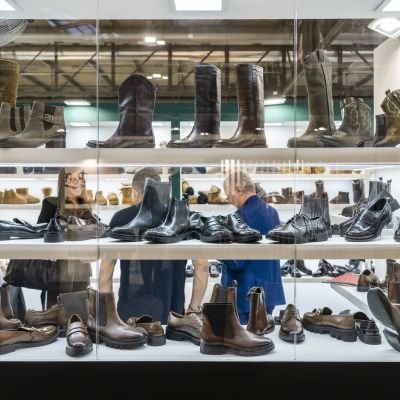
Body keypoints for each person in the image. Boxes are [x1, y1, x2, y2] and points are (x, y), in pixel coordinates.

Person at [98, 167, 209, 323]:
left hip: (129, 313)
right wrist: (193, 309)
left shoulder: (120, 219)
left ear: (134, 192)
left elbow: (105, 268)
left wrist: (107, 315)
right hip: (171, 312)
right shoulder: (182, 218)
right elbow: (202, 265)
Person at [221, 170, 285, 323]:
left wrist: (218, 250)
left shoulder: (240, 217)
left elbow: (237, 262)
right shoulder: (272, 211)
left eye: (228, 194)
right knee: (264, 335)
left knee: (245, 339)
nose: (228, 199)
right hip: (270, 289)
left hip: (246, 292)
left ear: (238, 190)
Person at [37, 167, 93, 308]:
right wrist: (52, 252)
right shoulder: (51, 204)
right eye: (71, 179)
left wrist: (92, 254)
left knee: (78, 320)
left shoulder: (85, 208)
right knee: (55, 318)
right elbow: (39, 235)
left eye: (80, 179)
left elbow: (93, 237)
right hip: (57, 273)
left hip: (81, 272)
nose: (76, 183)